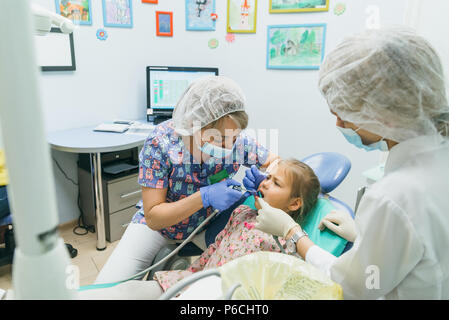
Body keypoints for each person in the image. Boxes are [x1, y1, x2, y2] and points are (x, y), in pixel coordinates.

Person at [249, 26, 449, 299]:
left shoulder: (393, 196)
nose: (339, 124)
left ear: (385, 111)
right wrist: (364, 238)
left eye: (345, 114)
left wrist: (293, 233)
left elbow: (352, 287)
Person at [95, 76, 278, 284]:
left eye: (234, 137)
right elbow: (154, 216)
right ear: (194, 125)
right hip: (160, 228)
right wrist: (204, 197)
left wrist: (266, 177)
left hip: (207, 225)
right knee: (105, 288)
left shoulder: (236, 140)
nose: (229, 146)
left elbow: (274, 162)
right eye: (220, 138)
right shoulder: (161, 142)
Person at [80, 158, 321, 299]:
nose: (264, 183)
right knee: (125, 291)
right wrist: (186, 279)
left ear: (295, 203)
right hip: (192, 280)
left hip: (219, 295)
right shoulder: (242, 213)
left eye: (275, 182)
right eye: (266, 177)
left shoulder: (288, 239)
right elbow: (212, 251)